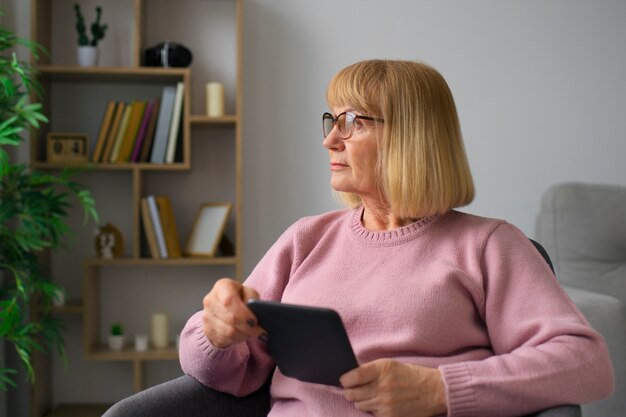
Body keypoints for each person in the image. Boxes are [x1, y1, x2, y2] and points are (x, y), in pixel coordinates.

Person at [179, 59, 614, 417]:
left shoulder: (489, 245)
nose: (331, 140)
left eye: (351, 122)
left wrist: (440, 390)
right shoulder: (306, 238)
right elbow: (229, 375)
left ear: (410, 136)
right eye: (331, 119)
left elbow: (585, 362)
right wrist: (215, 331)